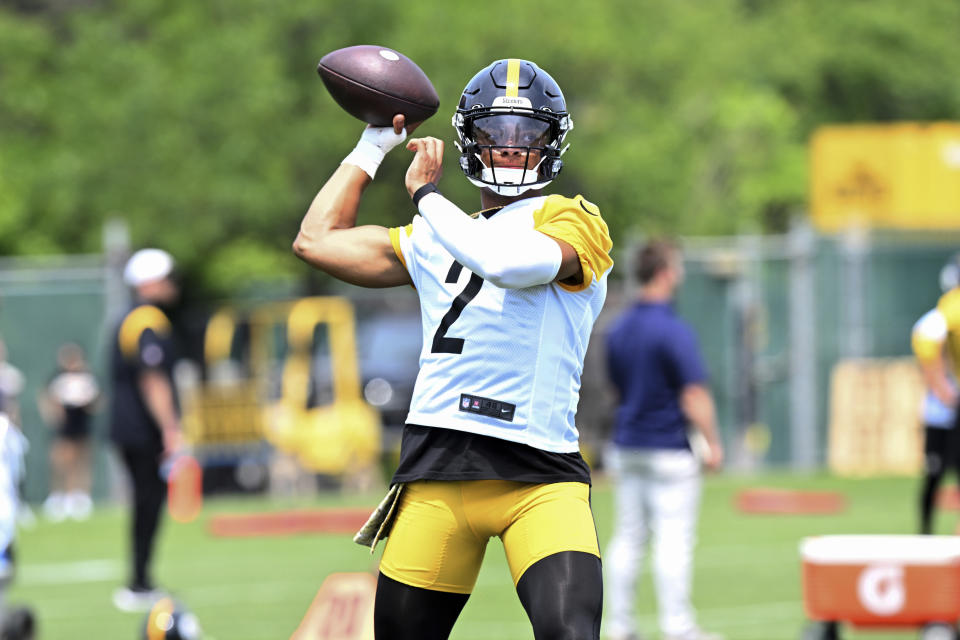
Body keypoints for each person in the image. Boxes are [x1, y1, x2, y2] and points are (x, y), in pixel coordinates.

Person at [293, 59, 613, 640]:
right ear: (471, 141)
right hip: (438, 467)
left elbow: (506, 263)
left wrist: (426, 196)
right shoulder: (433, 234)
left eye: (528, 135)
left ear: (553, 144)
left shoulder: (572, 219)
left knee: (571, 633)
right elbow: (315, 240)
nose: (513, 149)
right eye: (497, 134)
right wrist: (374, 144)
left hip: (537, 474)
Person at [603, 240, 724, 640]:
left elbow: (617, 386)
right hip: (669, 449)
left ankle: (620, 625)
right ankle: (678, 627)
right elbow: (694, 395)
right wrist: (713, 443)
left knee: (628, 538)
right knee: (674, 541)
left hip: (627, 444)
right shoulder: (673, 329)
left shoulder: (619, 328)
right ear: (666, 272)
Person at [108, 248, 184, 612]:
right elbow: (153, 380)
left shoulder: (133, 317)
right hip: (142, 431)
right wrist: (170, 428)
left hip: (132, 428)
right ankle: (138, 583)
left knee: (148, 503)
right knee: (148, 503)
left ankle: (141, 580)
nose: (173, 284)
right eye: (167, 277)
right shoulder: (146, 320)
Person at [911, 253, 960, 535]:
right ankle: (925, 535)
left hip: (947, 410)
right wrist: (943, 390)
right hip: (942, 415)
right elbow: (928, 345)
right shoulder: (945, 314)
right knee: (934, 475)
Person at [39, 343, 101, 522]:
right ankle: (58, 497)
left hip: (81, 423)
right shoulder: (57, 378)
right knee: (61, 460)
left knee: (82, 460)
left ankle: (80, 497)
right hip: (64, 426)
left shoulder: (87, 377)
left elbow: (97, 401)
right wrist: (53, 414)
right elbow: (47, 398)